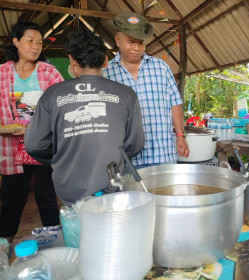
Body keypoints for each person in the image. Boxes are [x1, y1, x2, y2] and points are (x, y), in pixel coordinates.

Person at [24, 29, 145, 205]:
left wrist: (62, 156)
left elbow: (34, 145)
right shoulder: (126, 94)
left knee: (77, 227)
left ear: (72, 60)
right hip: (113, 184)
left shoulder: (52, 95)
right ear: (105, 61)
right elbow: (135, 144)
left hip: (69, 187)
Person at [0, 22, 62, 242]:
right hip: (12, 146)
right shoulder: (1, 73)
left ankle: (54, 244)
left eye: (39, 43)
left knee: (46, 197)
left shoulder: (49, 72)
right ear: (16, 42)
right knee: (12, 198)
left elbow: (62, 106)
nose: (35, 47)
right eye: (30, 41)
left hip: (45, 145)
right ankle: (4, 246)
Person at [103, 12, 189, 169]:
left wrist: (180, 136)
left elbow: (175, 103)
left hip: (162, 154)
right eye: (131, 42)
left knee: (165, 194)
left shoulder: (161, 68)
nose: (136, 48)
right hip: (126, 158)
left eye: (141, 43)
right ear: (117, 40)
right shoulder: (107, 73)